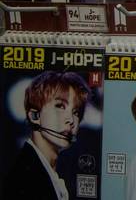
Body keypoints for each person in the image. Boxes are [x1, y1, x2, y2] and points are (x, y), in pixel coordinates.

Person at [3, 71, 89, 199]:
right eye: (60, 106)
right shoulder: (24, 177)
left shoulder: (49, 172)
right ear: (34, 116)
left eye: (75, 112)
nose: (71, 120)